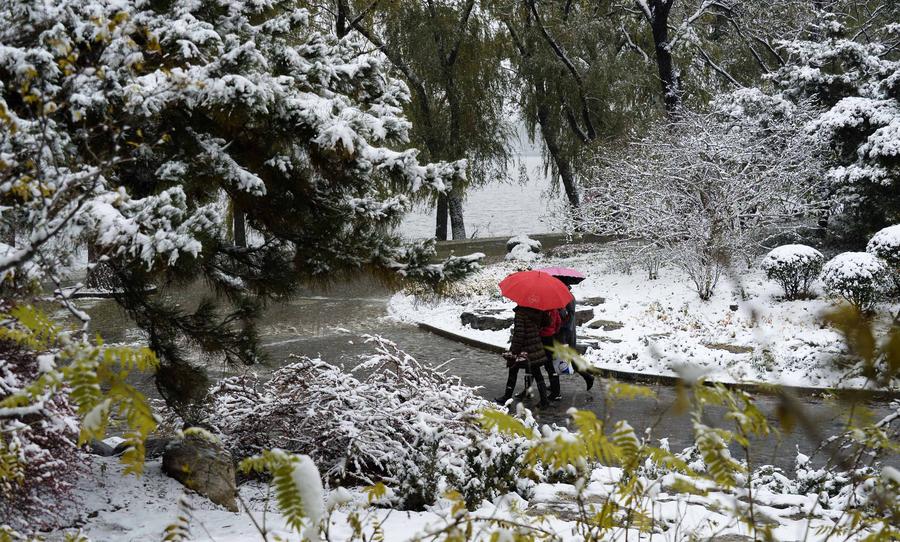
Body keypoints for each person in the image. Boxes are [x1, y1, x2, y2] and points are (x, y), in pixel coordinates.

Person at [495, 305, 551, 407]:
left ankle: (507, 398)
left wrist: (514, 352)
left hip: (523, 348)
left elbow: (519, 334)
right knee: (537, 373)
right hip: (535, 346)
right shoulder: (538, 309)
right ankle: (544, 400)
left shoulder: (520, 313)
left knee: (513, 370)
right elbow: (547, 322)